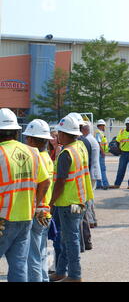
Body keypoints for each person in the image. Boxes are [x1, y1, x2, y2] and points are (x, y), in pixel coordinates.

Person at [0, 108, 50, 282]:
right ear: (16, 131)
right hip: (25, 218)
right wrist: (35, 205)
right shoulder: (33, 152)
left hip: (3, 219)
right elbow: (45, 182)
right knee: (19, 267)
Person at [49, 115, 93, 282]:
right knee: (67, 238)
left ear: (66, 134)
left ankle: (75, 275)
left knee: (70, 240)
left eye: (60, 132)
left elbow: (60, 182)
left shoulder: (66, 153)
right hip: (80, 200)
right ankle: (61, 271)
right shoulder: (79, 146)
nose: (57, 135)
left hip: (68, 202)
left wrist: (50, 202)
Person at [23, 119, 54, 282]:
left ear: (33, 140)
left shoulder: (36, 158)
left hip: (37, 212)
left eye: (28, 138)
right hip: (45, 211)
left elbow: (44, 183)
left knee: (33, 257)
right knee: (41, 254)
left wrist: (34, 204)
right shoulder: (47, 157)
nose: (26, 141)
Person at [68, 112, 93, 251]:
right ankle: (86, 243)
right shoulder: (84, 142)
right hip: (82, 188)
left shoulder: (77, 144)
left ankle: (83, 245)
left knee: (77, 221)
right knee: (82, 219)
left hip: (74, 191)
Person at [109, 117, 129, 189]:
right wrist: (119, 150)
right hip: (123, 153)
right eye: (128, 124)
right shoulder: (121, 132)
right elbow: (117, 141)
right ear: (125, 124)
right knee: (121, 169)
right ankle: (117, 184)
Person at [81, 121, 101, 228]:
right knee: (90, 198)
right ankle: (92, 219)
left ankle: (90, 220)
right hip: (93, 171)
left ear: (85, 130)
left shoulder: (87, 140)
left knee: (88, 198)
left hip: (91, 172)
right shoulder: (91, 139)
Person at [95, 119, 109, 190]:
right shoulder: (98, 132)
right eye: (104, 126)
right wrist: (102, 151)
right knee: (102, 169)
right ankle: (105, 184)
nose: (104, 128)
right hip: (100, 153)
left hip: (99, 153)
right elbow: (98, 142)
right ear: (101, 126)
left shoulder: (99, 132)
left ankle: (99, 184)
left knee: (99, 169)